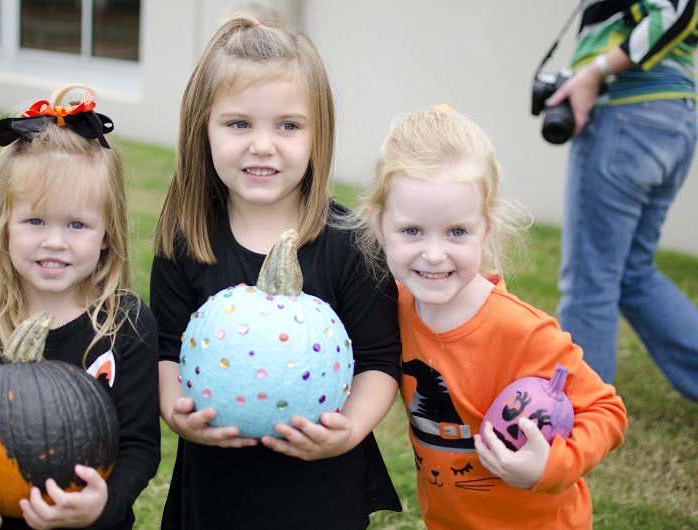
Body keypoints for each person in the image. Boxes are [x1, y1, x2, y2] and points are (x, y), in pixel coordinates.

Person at [150, 16, 402, 530]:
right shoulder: (186, 240)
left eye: (288, 125)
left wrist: (350, 429)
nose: (262, 145)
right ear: (203, 128)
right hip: (217, 489)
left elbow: (379, 360)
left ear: (318, 134)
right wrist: (177, 411)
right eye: (239, 124)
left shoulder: (351, 245)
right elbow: (167, 350)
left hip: (321, 492)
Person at [356, 105, 628, 528]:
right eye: (412, 231)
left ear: (486, 230)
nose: (434, 254)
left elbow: (606, 410)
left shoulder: (523, 331)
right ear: (378, 226)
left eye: (457, 232)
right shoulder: (393, 308)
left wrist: (550, 466)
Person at [0, 84, 161, 529]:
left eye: (76, 224)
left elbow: (139, 446)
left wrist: (102, 506)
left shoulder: (127, 326)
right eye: (35, 220)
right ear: (5, 226)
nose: (54, 241)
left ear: (107, 234)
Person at [545, 1, 698, 400]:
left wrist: (596, 71)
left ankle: (582, 415)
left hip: (627, 111)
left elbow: (676, 12)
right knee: (634, 271)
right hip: (674, 113)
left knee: (591, 280)